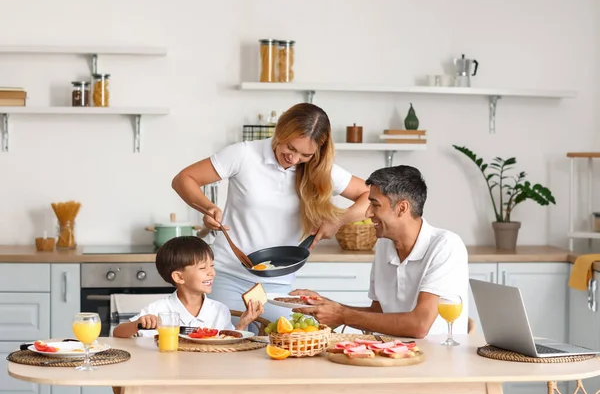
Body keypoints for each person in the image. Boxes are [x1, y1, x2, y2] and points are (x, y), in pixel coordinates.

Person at [171, 103, 370, 323]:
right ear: (281, 131)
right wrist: (208, 207)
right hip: (228, 276)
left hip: (278, 285)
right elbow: (184, 179)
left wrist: (339, 220)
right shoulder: (244, 154)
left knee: (277, 346)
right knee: (228, 346)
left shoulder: (321, 169)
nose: (294, 159)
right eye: (290, 148)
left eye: (305, 154)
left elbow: (370, 194)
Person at [291, 165, 469, 338]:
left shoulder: (445, 245)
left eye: (375, 205)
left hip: (437, 359)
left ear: (402, 208)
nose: (367, 213)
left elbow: (419, 325)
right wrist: (327, 305)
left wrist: (342, 314)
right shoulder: (385, 245)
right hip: (393, 353)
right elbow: (378, 313)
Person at [113, 236, 263, 338]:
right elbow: (118, 333)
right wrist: (138, 325)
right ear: (179, 277)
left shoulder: (219, 311)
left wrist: (243, 323)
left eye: (212, 266)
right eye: (203, 268)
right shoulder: (158, 310)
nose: (212, 273)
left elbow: (229, 345)